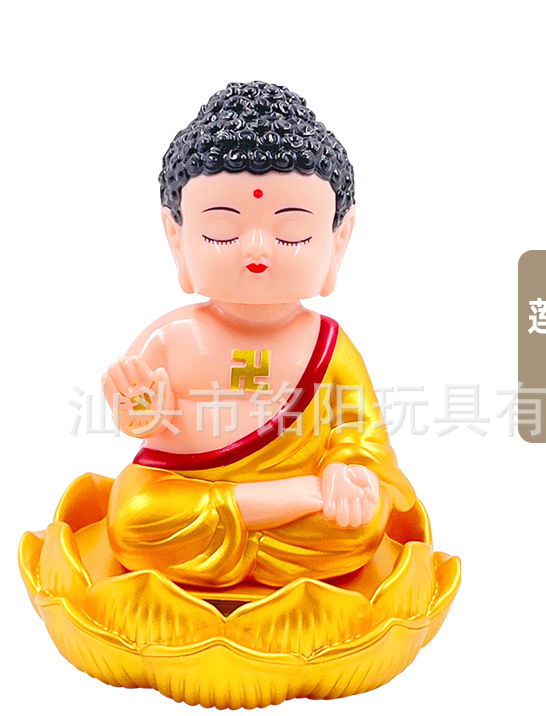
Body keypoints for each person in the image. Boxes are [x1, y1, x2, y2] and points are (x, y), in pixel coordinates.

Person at [102, 82, 423, 591]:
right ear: (176, 238)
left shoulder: (329, 346)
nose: (256, 249)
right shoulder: (172, 337)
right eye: (221, 232)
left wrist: (347, 471)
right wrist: (139, 411)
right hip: (184, 485)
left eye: (292, 233)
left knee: (360, 524)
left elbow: (362, 434)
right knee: (133, 516)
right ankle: (271, 503)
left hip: (297, 513)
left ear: (338, 241)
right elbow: (141, 412)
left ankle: (265, 515)